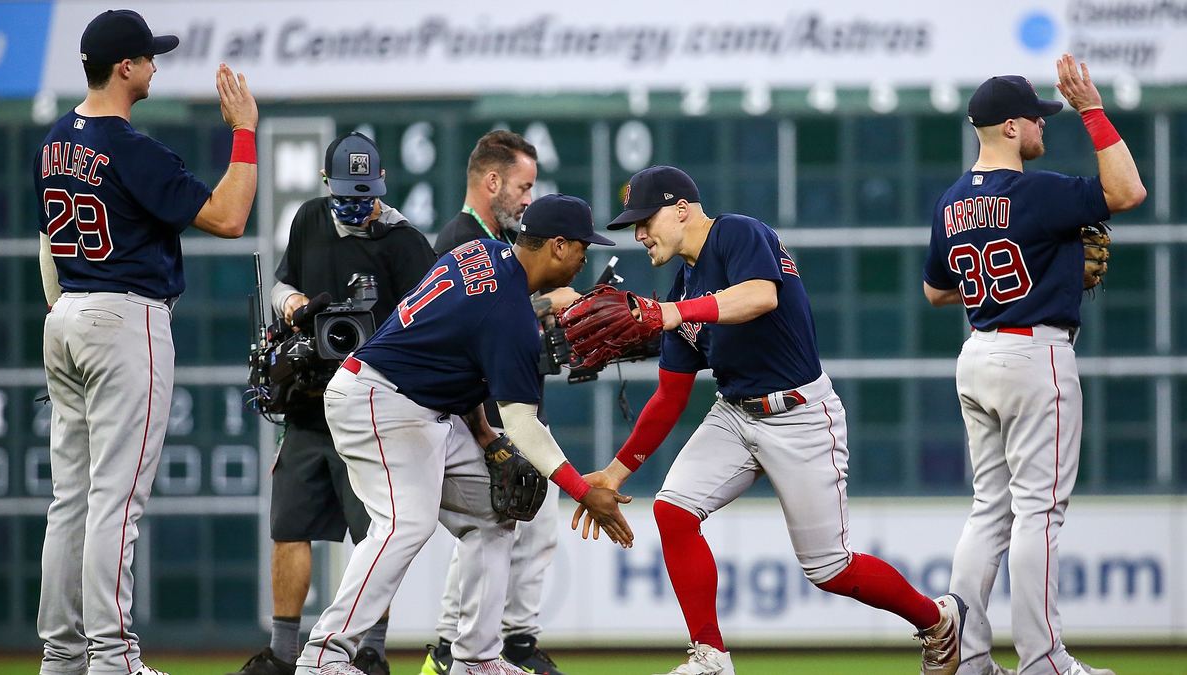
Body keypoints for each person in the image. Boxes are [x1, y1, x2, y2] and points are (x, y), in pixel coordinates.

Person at [577, 166, 966, 675]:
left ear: (680, 209)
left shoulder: (737, 232)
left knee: (830, 568)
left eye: (645, 220)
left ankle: (936, 619)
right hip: (735, 413)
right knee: (673, 512)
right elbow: (670, 396)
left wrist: (670, 314)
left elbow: (760, 295)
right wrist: (615, 472)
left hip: (801, 415)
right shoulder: (681, 287)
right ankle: (711, 658)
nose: (640, 233)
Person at [296, 194, 633, 675]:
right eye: (582, 247)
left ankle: (474, 658)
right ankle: (323, 657)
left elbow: (455, 362)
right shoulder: (511, 313)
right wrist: (583, 492)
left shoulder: (480, 254)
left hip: (423, 404)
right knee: (404, 523)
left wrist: (485, 439)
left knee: (494, 513)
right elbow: (523, 424)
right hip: (379, 398)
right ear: (558, 246)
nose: (585, 258)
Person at [34, 9, 258, 675]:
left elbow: (48, 241)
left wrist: (66, 306)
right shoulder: (129, 148)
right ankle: (113, 657)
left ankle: (62, 656)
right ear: (124, 67)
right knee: (115, 500)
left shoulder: (53, 141)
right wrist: (244, 134)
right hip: (122, 318)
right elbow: (227, 214)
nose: (156, 66)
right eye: (150, 57)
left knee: (69, 498)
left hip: (67, 313)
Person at [922, 56, 1146, 675]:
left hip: (977, 355)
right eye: (1039, 120)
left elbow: (937, 291)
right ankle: (1044, 661)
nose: (1047, 128)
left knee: (987, 510)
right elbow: (1127, 191)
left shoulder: (950, 203)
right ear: (1012, 129)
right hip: (1034, 355)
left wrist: (1023, 267)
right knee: (1037, 514)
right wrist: (1093, 110)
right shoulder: (1039, 191)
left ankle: (964, 659)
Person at [227, 132, 437, 675]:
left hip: (372, 411)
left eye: (365, 196)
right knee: (290, 527)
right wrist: (294, 303)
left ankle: (370, 649)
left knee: (375, 537)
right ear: (327, 185)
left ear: (381, 188)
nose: (355, 206)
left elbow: (430, 329)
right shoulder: (309, 219)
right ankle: (282, 652)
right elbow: (280, 286)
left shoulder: (406, 243)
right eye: (346, 194)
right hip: (307, 404)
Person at [422, 131, 579, 675]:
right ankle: (452, 648)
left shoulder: (501, 244)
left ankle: (504, 642)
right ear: (492, 182)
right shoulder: (461, 240)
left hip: (501, 406)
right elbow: (468, 323)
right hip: (476, 416)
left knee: (526, 525)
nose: (528, 199)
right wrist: (544, 302)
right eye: (523, 186)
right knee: (490, 527)